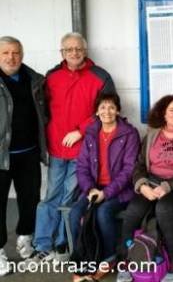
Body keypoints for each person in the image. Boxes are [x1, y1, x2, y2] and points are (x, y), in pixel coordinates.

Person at [26, 32, 115, 265]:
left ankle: (62, 244)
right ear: (62, 52)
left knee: (69, 196)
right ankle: (42, 244)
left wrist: (81, 130)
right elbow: (40, 109)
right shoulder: (52, 76)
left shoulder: (100, 76)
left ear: (85, 50)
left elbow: (109, 108)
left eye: (78, 48)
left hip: (83, 151)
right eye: (69, 49)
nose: (74, 53)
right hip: (56, 149)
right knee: (50, 196)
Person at [116, 94, 173, 282]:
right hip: (150, 184)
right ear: (163, 113)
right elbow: (138, 165)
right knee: (134, 210)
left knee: (164, 208)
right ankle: (125, 259)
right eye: (172, 110)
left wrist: (167, 186)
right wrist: (142, 185)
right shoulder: (152, 134)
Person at [69, 92, 140, 281]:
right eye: (102, 107)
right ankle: (84, 259)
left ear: (118, 110)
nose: (107, 111)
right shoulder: (91, 133)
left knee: (103, 212)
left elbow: (129, 169)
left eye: (111, 107)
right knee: (74, 213)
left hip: (121, 189)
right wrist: (90, 189)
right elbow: (82, 166)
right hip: (93, 188)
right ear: (97, 112)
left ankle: (108, 258)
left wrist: (106, 193)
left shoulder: (129, 133)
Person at [0, 36, 47, 275]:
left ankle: (25, 239)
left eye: (16, 52)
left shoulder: (35, 80)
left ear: (22, 54)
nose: (11, 57)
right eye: (6, 53)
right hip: (1, 156)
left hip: (28, 153)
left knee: (30, 200)